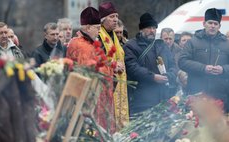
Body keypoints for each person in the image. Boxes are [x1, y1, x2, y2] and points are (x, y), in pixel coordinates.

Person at [66, 7, 116, 134]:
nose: (99, 32)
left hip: (100, 94)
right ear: (88, 27)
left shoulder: (90, 44)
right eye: (97, 29)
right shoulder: (79, 45)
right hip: (90, 97)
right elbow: (88, 70)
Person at [124, 13, 177, 117]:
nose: (152, 30)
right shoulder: (130, 46)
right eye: (148, 27)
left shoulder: (161, 45)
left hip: (163, 98)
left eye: (154, 28)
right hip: (141, 100)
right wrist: (152, 77)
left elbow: (173, 65)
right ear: (141, 29)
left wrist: (169, 76)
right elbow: (132, 68)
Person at [178, 8, 229, 112]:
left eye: (215, 23)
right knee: (197, 126)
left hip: (220, 96)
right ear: (204, 23)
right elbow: (182, 61)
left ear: (219, 26)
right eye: (210, 23)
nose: (212, 26)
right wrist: (203, 68)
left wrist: (223, 69)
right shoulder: (193, 42)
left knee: (219, 127)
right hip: (197, 94)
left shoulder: (226, 44)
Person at [99, 1, 129, 129]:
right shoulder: (99, 35)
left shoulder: (114, 36)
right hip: (106, 83)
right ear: (103, 20)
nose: (116, 20)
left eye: (116, 16)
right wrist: (113, 65)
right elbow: (98, 59)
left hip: (119, 81)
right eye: (112, 17)